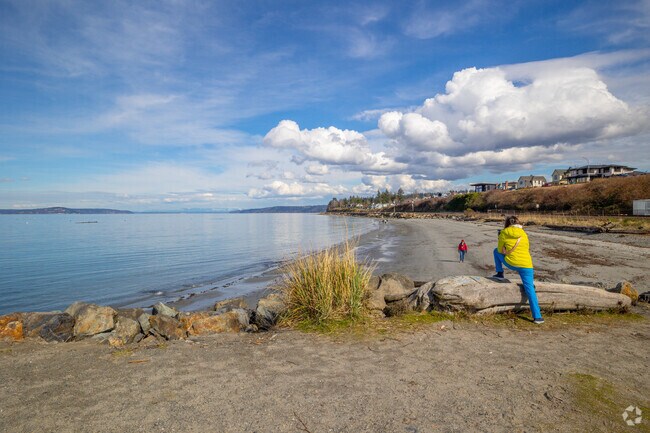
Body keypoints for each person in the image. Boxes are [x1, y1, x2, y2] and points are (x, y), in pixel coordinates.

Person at [492, 216, 544, 324]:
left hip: (512, 262)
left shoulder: (504, 232)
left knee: (495, 251)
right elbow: (526, 248)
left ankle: (500, 273)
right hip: (527, 264)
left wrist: (502, 242)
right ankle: (538, 317)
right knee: (530, 289)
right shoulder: (523, 233)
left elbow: (501, 250)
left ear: (507, 223)